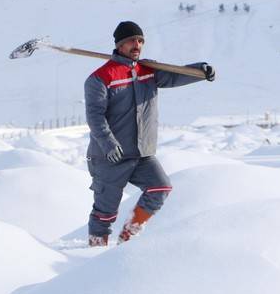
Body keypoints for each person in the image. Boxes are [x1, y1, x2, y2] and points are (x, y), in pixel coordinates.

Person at [85, 21, 215, 246]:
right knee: (105, 212)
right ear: (120, 44)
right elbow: (95, 117)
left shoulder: (148, 70)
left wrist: (200, 71)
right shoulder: (100, 78)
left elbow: (175, 76)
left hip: (141, 153)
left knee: (160, 187)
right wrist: (108, 144)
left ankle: (129, 235)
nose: (137, 44)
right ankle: (94, 250)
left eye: (140, 40)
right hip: (109, 156)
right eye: (131, 41)